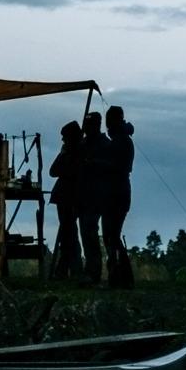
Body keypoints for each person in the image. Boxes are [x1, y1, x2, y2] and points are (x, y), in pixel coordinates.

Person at [72, 111, 112, 285]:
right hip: (84, 195)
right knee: (87, 234)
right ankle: (90, 270)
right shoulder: (83, 144)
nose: (87, 128)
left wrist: (93, 163)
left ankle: (95, 271)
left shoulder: (104, 144)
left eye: (90, 125)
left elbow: (111, 167)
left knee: (92, 233)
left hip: (97, 195)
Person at [100, 106, 137, 289]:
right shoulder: (121, 140)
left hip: (116, 192)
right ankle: (120, 276)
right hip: (118, 192)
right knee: (111, 236)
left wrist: (99, 164)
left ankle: (120, 276)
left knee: (111, 236)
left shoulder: (121, 141)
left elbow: (118, 167)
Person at [48, 120, 88, 282]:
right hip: (64, 197)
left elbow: (67, 171)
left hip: (72, 197)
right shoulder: (68, 152)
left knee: (69, 235)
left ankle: (71, 270)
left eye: (65, 137)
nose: (63, 140)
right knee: (67, 235)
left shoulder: (80, 152)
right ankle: (66, 270)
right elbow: (53, 171)